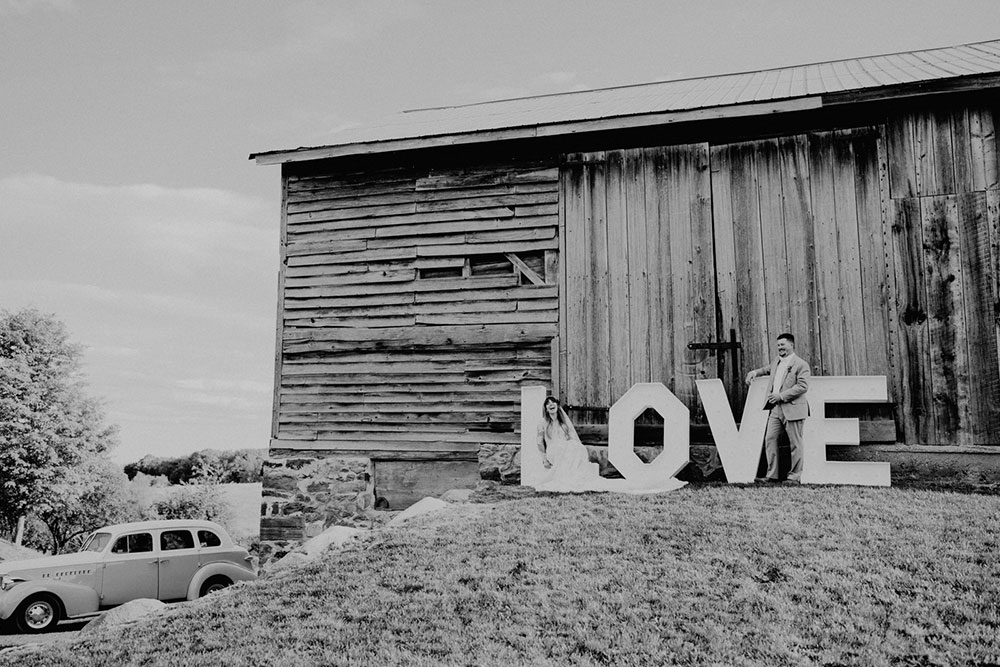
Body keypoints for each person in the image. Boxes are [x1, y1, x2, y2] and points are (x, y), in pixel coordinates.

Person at [745, 332, 810, 484]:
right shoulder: (777, 362)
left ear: (791, 345)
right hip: (775, 409)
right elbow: (766, 369)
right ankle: (772, 475)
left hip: (793, 409)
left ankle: (794, 477)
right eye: (778, 345)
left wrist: (780, 396)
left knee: (795, 443)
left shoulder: (801, 364)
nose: (780, 348)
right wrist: (754, 372)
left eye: (783, 345)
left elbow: (802, 386)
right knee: (770, 439)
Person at [535, 396, 605, 492]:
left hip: (565, 448)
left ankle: (571, 478)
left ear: (557, 405)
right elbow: (539, 442)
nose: (551, 404)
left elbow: (573, 438)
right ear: (546, 409)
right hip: (553, 451)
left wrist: (575, 446)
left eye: (553, 402)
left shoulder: (564, 423)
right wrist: (544, 459)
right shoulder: (542, 422)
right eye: (548, 403)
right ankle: (564, 479)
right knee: (565, 447)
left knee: (576, 446)